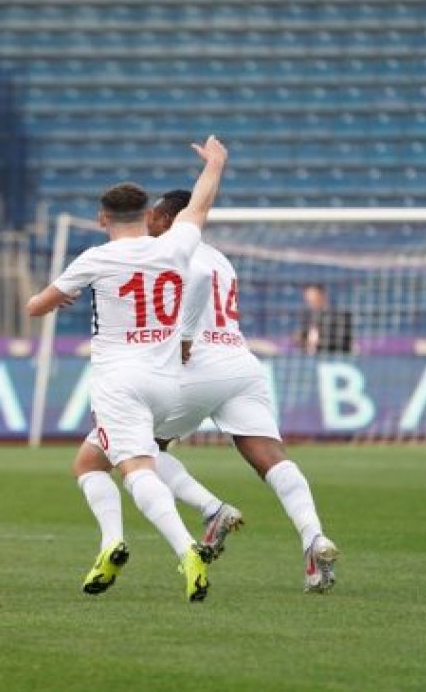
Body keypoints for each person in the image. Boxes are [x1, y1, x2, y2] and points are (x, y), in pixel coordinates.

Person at [73, 189, 339, 596]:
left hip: (194, 365)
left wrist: (183, 341)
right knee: (271, 458)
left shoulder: (168, 251)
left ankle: (211, 510)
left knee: (118, 454)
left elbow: (188, 288)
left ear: (173, 219)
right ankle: (314, 538)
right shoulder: (219, 256)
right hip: (240, 364)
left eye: (158, 216)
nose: (151, 222)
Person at [27, 135, 227, 603]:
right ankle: (110, 543)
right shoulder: (174, 246)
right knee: (89, 462)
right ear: (146, 217)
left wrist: (60, 296)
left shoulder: (96, 258)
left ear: (102, 219)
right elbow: (198, 207)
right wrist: (215, 164)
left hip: (119, 381)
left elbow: (36, 307)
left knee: (136, 469)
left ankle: (186, 550)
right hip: (167, 381)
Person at [295, 283, 354, 354]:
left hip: (335, 358)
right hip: (310, 360)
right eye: (309, 300)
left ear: (323, 295)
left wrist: (316, 342)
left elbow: (341, 342)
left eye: (315, 299)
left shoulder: (341, 316)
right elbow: (301, 338)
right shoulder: (307, 317)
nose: (312, 303)